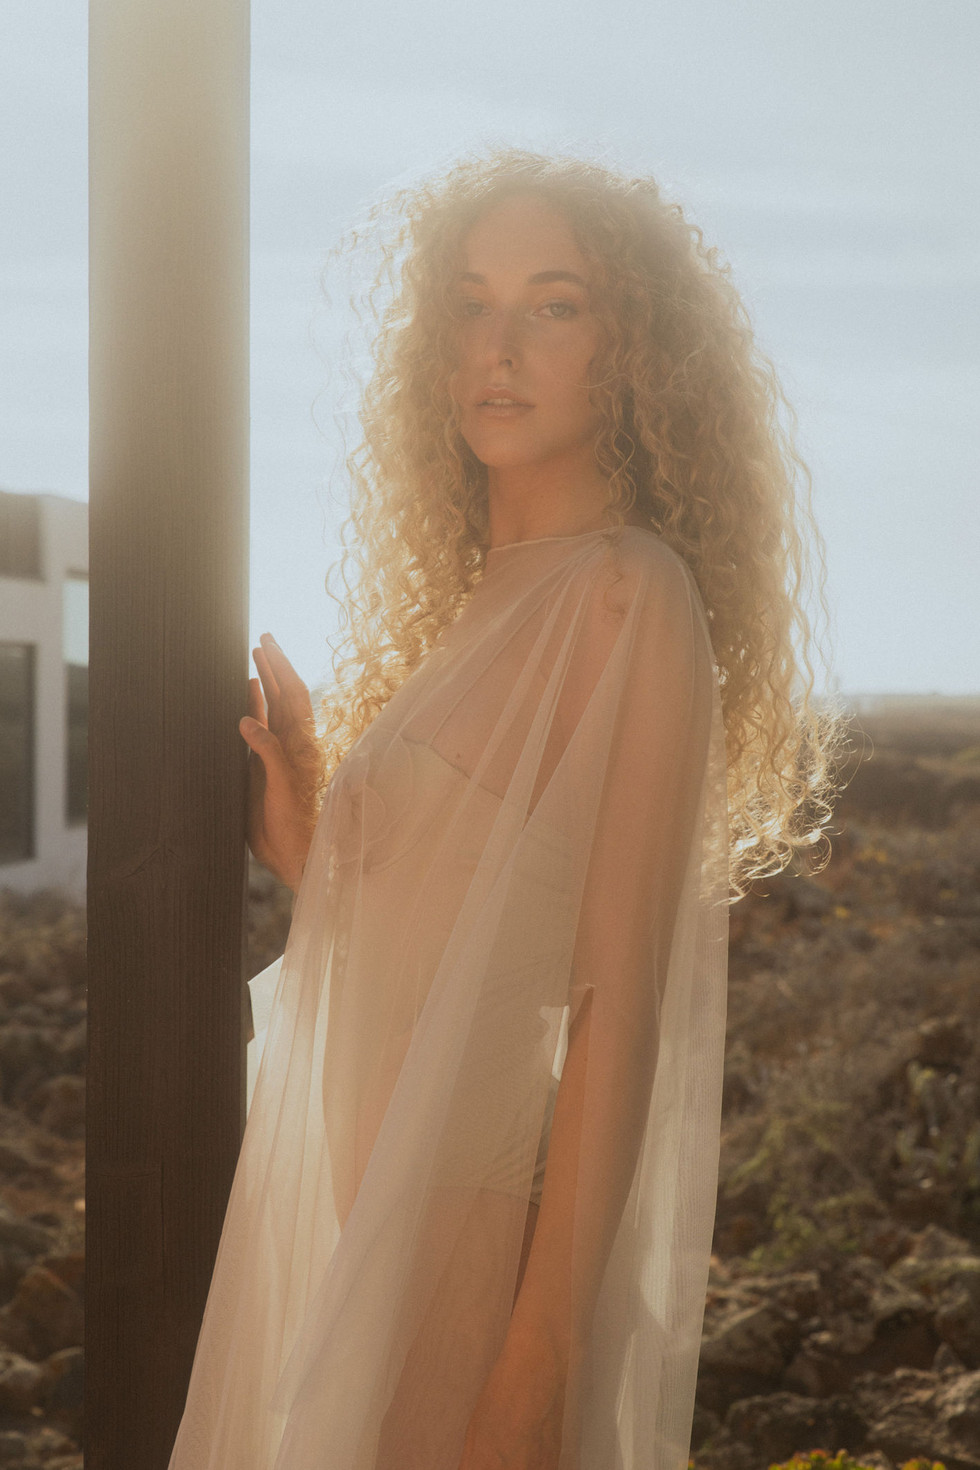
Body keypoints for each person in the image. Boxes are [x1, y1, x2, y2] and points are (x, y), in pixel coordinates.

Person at [167, 149, 843, 1470]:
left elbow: (612, 1002)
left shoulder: (625, 597)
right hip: (356, 1229)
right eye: (472, 302)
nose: (500, 343)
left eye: (555, 303)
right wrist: (314, 840)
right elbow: (442, 947)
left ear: (634, 350)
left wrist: (542, 1357)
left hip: (474, 1252)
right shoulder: (474, 611)